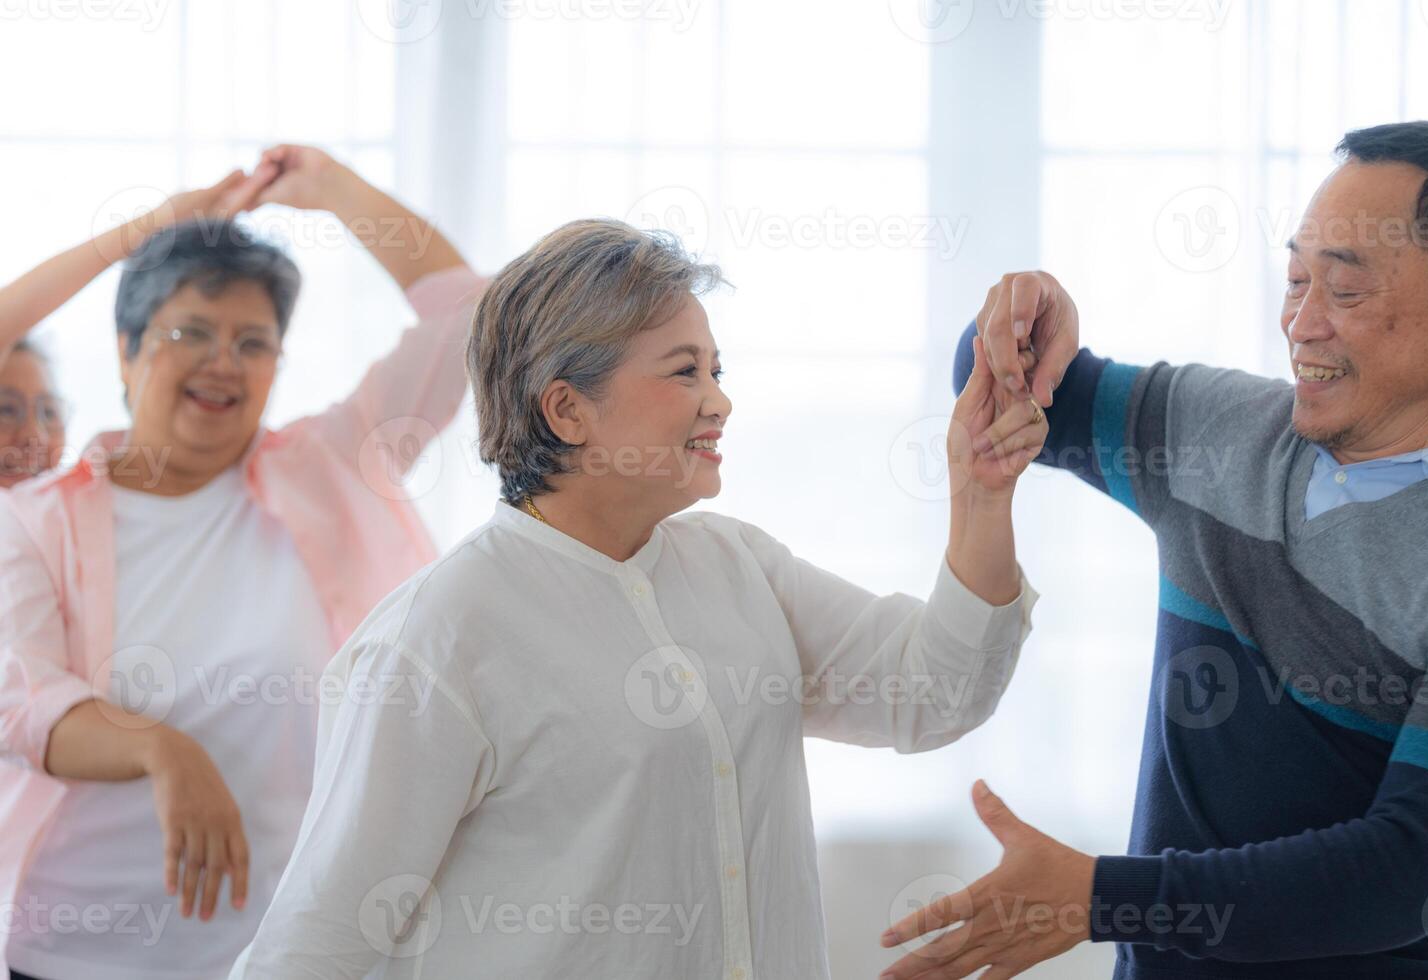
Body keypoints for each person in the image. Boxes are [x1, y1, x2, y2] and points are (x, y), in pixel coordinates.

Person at [228, 218, 1043, 978]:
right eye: (684, 371)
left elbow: (935, 692)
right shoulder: (437, 638)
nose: (718, 400)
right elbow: (319, 940)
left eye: (716, 370)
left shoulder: (739, 567)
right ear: (567, 408)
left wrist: (979, 496)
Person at [880, 120, 1428, 979]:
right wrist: (1030, 315)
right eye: (1296, 278)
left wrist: (1095, 897)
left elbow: (1404, 873)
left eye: (1343, 292)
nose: (1301, 324)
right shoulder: (1216, 431)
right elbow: (999, 374)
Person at [0, 145, 484, 980]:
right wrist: (163, 749)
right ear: (126, 351)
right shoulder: (35, 518)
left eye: (254, 342)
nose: (225, 360)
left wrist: (335, 191)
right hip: (80, 953)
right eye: (191, 331)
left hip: (300, 954)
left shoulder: (335, 465)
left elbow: (471, 317)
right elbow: (27, 704)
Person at [0, 170, 275, 488]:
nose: (35, 435)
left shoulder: (60, 520)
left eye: (49, 412)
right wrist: (153, 226)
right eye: (5, 410)